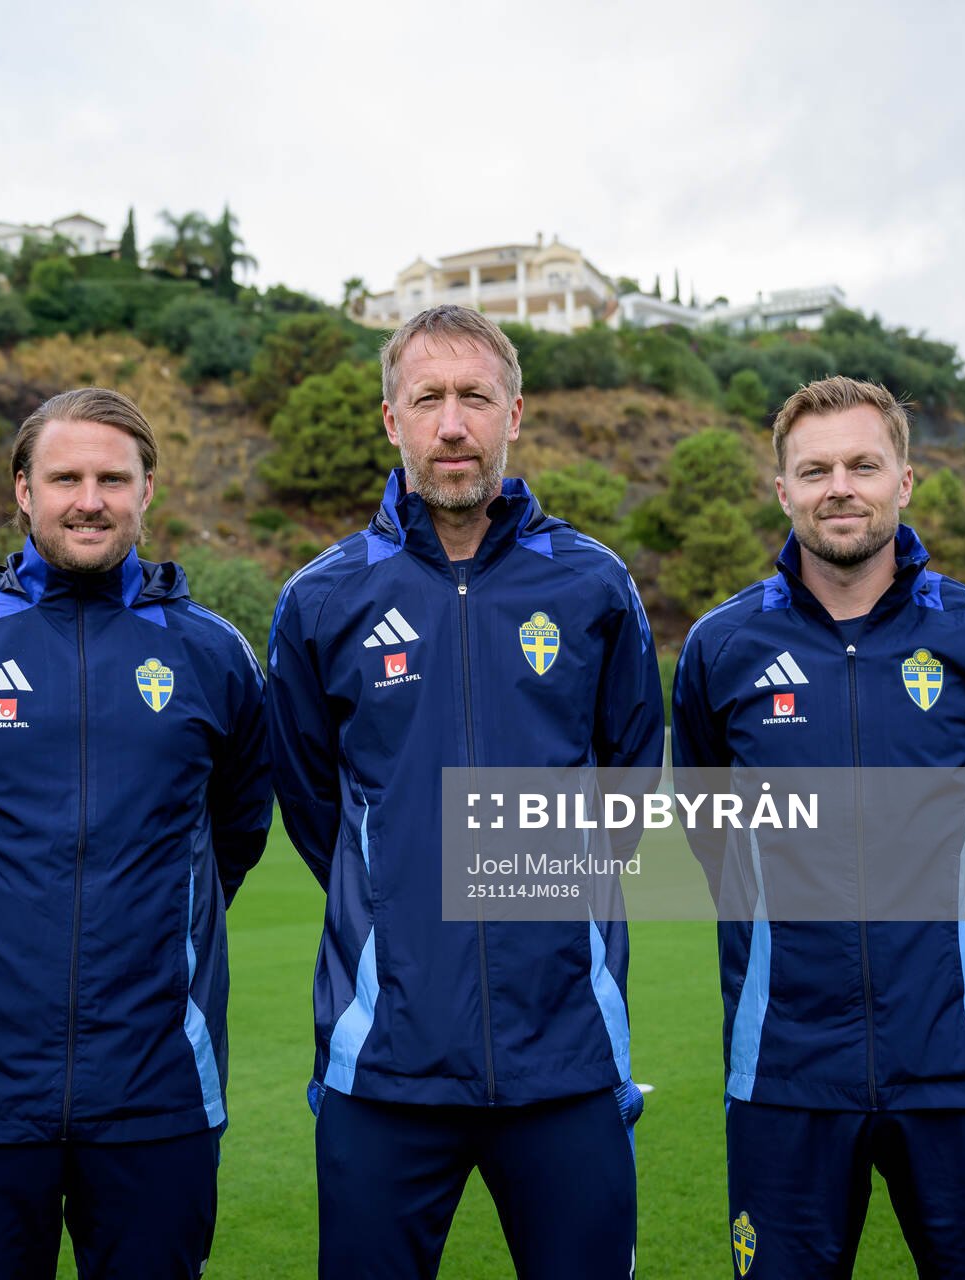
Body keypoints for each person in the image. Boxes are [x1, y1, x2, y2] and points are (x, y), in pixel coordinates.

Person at [266, 304, 663, 1278]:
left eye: (475, 397)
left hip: (564, 1050)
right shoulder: (321, 597)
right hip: (386, 1056)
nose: (453, 423)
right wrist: (401, 891)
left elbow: (627, 778)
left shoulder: (592, 583)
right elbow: (315, 801)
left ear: (514, 412)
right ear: (390, 418)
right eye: (428, 398)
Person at [671, 375, 965, 1278]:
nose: (838, 486)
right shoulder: (721, 648)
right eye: (814, 470)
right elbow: (709, 821)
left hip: (960, 1058)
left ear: (905, 481)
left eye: (861, 464)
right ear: (782, 491)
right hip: (785, 1068)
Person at [0, 387, 271, 1280]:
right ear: (23, 490)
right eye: (65, 477)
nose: (88, 498)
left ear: (146, 492)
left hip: (156, 1088)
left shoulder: (212, 652)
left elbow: (236, 831)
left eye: (111, 478)